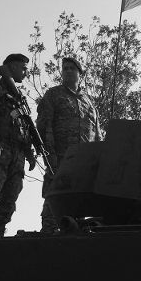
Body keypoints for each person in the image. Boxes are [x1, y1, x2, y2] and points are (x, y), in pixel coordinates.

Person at [36, 57, 102, 233]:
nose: (68, 71)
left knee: (79, 198)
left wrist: (99, 158)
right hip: (60, 156)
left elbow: (96, 131)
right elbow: (44, 125)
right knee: (55, 196)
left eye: (72, 68)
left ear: (80, 74)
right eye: (65, 68)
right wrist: (49, 152)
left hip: (84, 161)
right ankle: (48, 233)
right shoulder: (53, 95)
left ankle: (74, 234)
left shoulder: (88, 101)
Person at [0, 53, 36, 238]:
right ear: (12, 68)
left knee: (11, 195)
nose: (26, 72)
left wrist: (29, 152)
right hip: (0, 147)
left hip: (17, 153)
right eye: (23, 68)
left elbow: (23, 125)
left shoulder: (18, 96)